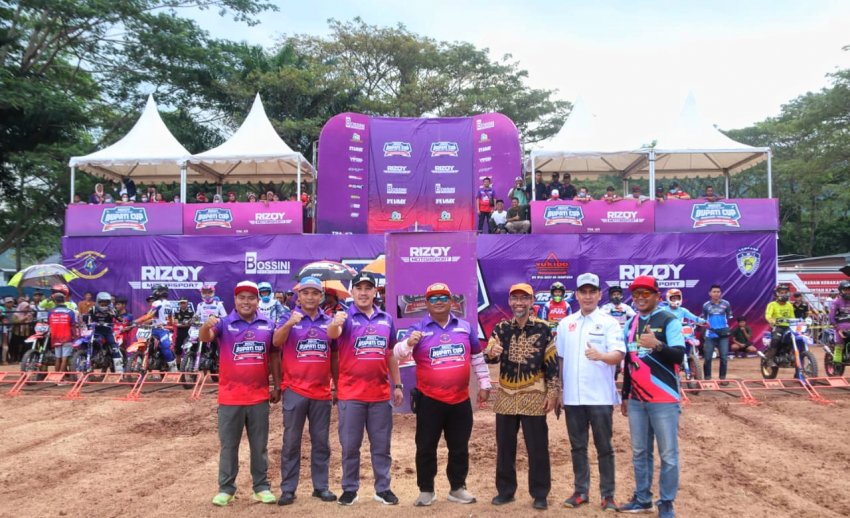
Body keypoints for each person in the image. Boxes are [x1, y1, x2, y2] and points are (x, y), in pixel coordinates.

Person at [393, 282, 491, 507]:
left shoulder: (465, 327)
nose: (439, 302)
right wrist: (408, 343)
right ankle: (426, 490)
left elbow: (477, 357)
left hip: (460, 399)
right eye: (433, 298)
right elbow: (397, 354)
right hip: (429, 400)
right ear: (427, 303)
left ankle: (457, 488)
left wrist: (485, 384)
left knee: (459, 446)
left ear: (451, 302)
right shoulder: (418, 328)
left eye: (443, 297)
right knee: (425, 446)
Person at [201, 281, 280, 507]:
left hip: (259, 397)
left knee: (259, 446)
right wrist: (206, 326)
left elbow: (274, 356)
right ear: (235, 300)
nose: (246, 302)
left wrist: (277, 385)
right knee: (229, 446)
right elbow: (205, 337)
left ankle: (261, 487)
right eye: (241, 297)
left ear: (258, 301)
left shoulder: (268, 325)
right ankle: (226, 489)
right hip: (230, 397)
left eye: (251, 297)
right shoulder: (224, 323)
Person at [327, 271, 403, 506]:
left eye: (368, 288)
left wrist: (398, 384)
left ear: (374, 291)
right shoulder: (344, 317)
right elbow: (333, 335)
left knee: (381, 446)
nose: (363, 292)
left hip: (380, 394)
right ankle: (350, 489)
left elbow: (390, 354)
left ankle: (383, 488)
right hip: (351, 394)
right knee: (350, 446)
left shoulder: (386, 319)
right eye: (358, 288)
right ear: (352, 292)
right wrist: (335, 324)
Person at [485, 283, 559, 510]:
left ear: (531, 301)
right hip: (506, 397)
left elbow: (552, 363)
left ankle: (540, 494)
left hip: (535, 396)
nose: (519, 303)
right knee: (505, 448)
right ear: (509, 302)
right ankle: (505, 491)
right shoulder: (501, 328)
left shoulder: (544, 328)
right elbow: (490, 356)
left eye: (524, 298)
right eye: (515, 298)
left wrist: (553, 392)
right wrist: (491, 352)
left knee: (537, 448)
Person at [557, 273, 625, 512]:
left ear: (599, 294)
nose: (587, 296)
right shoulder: (566, 324)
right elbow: (561, 359)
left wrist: (601, 356)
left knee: (604, 447)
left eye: (592, 292)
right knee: (578, 447)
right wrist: (560, 390)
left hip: (600, 397)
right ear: (576, 295)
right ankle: (581, 491)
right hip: (573, 398)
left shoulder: (609, 323)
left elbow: (618, 354)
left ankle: (608, 495)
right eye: (583, 292)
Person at [619, 276, 685, 518]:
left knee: (668, 455)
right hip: (637, 399)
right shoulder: (630, 323)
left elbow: (679, 356)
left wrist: (657, 344)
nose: (640, 298)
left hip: (664, 398)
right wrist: (625, 395)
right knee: (640, 452)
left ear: (657, 296)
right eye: (636, 294)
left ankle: (666, 502)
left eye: (646, 293)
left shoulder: (669, 319)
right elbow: (630, 362)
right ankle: (642, 498)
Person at [273, 276, 337, 506]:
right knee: (291, 442)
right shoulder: (287, 317)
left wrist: (337, 384)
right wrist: (289, 323)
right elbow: (276, 342)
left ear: (321, 296)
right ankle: (288, 489)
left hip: (321, 391)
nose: (310, 297)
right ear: (298, 296)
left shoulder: (329, 321)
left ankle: (321, 487)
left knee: (321, 442)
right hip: (294, 389)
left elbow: (335, 355)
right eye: (306, 293)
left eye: (315, 293)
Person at [132, 285, 178, 372]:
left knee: (165, 347)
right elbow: (170, 319)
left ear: (158, 292)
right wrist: (169, 325)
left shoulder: (157, 303)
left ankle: (173, 367)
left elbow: (149, 315)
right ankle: (172, 368)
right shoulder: (169, 304)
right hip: (157, 329)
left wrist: (135, 321)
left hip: (161, 330)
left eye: (154, 291)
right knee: (147, 343)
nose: (153, 292)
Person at [700, 285, 733, 380]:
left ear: (720, 293)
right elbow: (704, 320)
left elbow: (729, 317)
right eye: (714, 292)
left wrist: (724, 328)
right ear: (710, 293)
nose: (716, 293)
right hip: (710, 334)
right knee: (708, 358)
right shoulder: (706, 305)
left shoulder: (726, 304)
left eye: (718, 292)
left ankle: (722, 378)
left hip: (723, 335)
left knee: (724, 358)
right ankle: (707, 378)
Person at [763, 283, 797, 368]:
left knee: (796, 339)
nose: (784, 294)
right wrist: (772, 320)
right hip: (778, 327)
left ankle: (793, 358)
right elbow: (768, 315)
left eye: (785, 292)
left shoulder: (789, 305)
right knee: (776, 339)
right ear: (777, 294)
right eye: (781, 292)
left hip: (789, 327)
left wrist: (798, 322)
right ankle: (769, 359)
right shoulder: (772, 304)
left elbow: (792, 317)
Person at [47, 291, 77, 375]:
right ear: (64, 301)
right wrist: (75, 336)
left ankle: (56, 375)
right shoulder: (70, 312)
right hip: (67, 337)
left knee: (58, 358)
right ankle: (60, 376)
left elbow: (49, 323)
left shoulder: (51, 312)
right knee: (64, 359)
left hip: (55, 337)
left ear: (55, 301)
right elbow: (73, 326)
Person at [828, 280, 850, 367]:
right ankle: (836, 365)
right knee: (839, 346)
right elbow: (831, 317)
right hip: (840, 328)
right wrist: (838, 329)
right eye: (845, 290)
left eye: (849, 290)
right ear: (841, 291)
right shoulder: (836, 302)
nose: (848, 292)